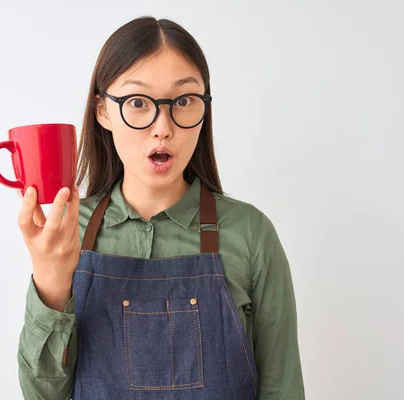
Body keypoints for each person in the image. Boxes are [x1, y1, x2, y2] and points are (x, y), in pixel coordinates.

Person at [15, 16, 305, 400]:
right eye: (138, 102)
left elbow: (283, 388)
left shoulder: (250, 233)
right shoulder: (69, 228)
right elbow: (42, 395)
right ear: (102, 111)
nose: (163, 127)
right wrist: (50, 280)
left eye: (184, 101)